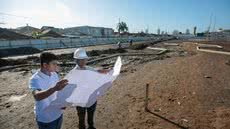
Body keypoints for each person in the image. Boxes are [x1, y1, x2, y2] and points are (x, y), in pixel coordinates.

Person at [29, 52, 68, 129]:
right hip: (46, 118)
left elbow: (58, 92)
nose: (56, 66)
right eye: (54, 64)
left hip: (58, 113)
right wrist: (54, 88)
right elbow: (37, 96)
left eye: (56, 64)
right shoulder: (35, 79)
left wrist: (62, 103)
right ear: (45, 65)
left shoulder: (54, 74)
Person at [73, 48, 109, 129]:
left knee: (91, 113)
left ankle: (91, 126)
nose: (82, 62)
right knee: (81, 116)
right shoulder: (73, 73)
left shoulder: (89, 68)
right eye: (80, 60)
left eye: (84, 60)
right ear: (76, 60)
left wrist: (106, 71)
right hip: (80, 99)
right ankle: (82, 127)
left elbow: (97, 71)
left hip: (91, 97)